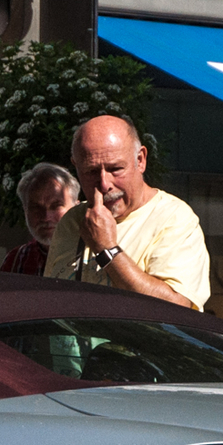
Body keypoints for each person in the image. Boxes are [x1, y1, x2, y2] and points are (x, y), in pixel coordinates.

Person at [43, 115, 210, 309]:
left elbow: (176, 308)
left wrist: (107, 249)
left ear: (140, 160)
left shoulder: (175, 219)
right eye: (91, 172)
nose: (105, 184)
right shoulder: (72, 221)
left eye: (115, 169)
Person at [2, 163, 79, 276]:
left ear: (76, 208)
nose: (46, 217)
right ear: (25, 210)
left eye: (56, 206)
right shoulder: (16, 260)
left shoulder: (94, 256)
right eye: (36, 208)